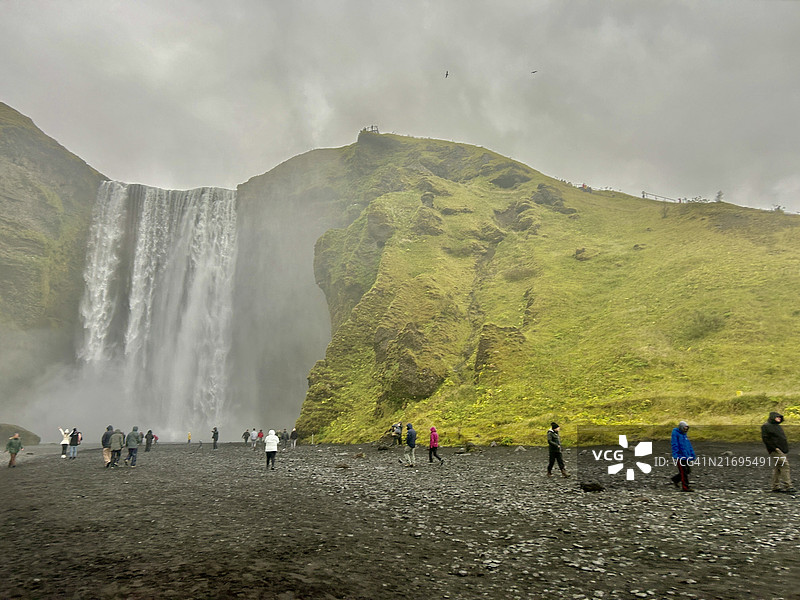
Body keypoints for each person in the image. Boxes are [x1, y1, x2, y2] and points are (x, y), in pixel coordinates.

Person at [762, 412, 793, 493]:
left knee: (778, 468)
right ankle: (788, 486)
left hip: (782, 449)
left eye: (780, 417)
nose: (779, 418)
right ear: (772, 417)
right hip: (775, 450)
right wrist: (774, 448)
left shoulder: (777, 426)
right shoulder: (766, 426)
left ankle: (775, 486)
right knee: (785, 465)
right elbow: (766, 439)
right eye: (777, 417)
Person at [671, 420, 696, 491]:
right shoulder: (676, 434)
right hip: (680, 456)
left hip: (686, 456)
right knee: (683, 472)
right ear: (681, 428)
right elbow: (674, 445)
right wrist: (675, 455)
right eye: (684, 428)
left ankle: (675, 479)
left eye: (686, 429)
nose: (685, 430)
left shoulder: (684, 435)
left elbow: (689, 446)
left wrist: (692, 454)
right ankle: (685, 487)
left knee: (688, 470)